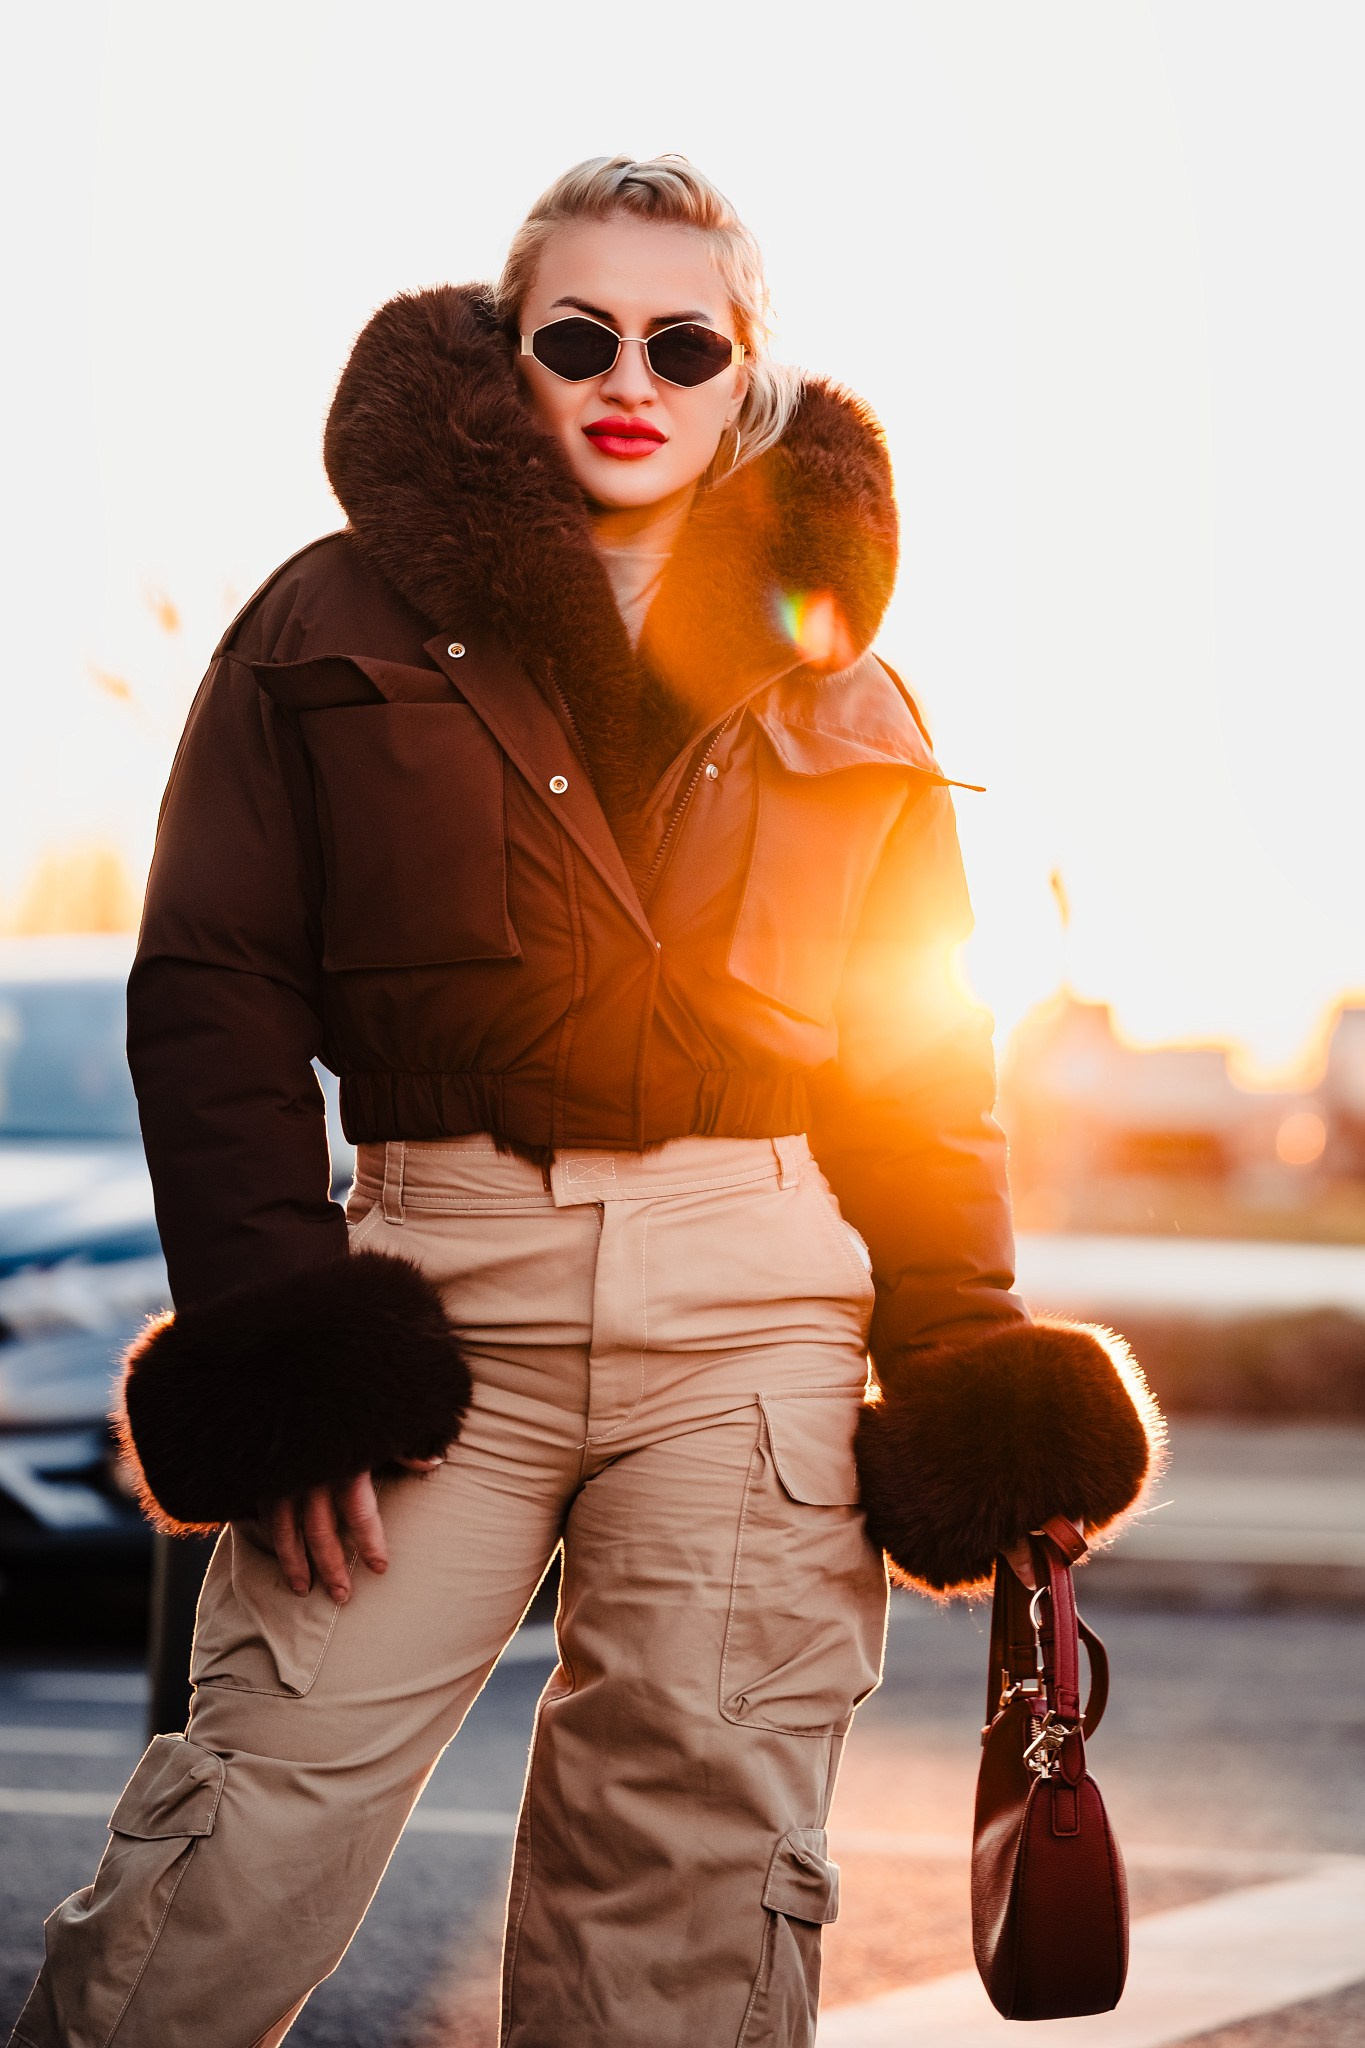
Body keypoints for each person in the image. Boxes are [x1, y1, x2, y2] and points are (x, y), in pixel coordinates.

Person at [9, 156, 1161, 2048]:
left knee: (690, 1882)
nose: (629, 375)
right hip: (438, 1291)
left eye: (683, 340)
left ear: (744, 377)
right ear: (508, 354)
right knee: (246, 1832)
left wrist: (961, 1351)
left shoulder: (846, 684)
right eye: (578, 334)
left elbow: (916, 1067)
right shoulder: (325, 621)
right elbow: (209, 990)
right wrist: (287, 1345)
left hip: (761, 1311)